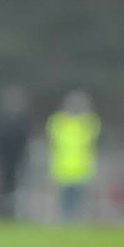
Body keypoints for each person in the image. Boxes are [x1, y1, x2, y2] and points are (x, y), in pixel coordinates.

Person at [47, 93, 100, 222]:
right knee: (64, 201)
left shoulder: (86, 123)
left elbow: (94, 128)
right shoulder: (60, 122)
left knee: (79, 201)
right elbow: (52, 129)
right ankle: (65, 222)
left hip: (82, 169)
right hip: (62, 169)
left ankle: (77, 223)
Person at [0, 87, 32, 219]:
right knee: (1, 187)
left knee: (18, 188)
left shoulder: (22, 120)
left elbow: (25, 140)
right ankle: (0, 212)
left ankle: (16, 213)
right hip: (2, 160)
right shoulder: (0, 120)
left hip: (18, 160)